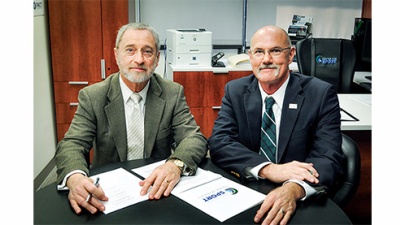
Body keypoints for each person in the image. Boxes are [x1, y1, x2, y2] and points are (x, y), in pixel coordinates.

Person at [55, 22, 208, 215]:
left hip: (157, 191)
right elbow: (72, 144)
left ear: (157, 58)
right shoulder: (93, 96)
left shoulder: (172, 93)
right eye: (130, 50)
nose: (139, 59)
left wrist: (174, 164)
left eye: (147, 52)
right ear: (116, 55)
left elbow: (194, 138)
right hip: (108, 195)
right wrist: (75, 177)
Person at [208, 25, 344, 225]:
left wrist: (294, 188)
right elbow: (219, 142)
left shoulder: (320, 94)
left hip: (298, 201)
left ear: (291, 55)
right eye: (259, 52)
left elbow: (328, 157)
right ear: (250, 57)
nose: (266, 60)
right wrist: (268, 169)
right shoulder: (236, 91)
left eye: (275, 51)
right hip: (245, 193)